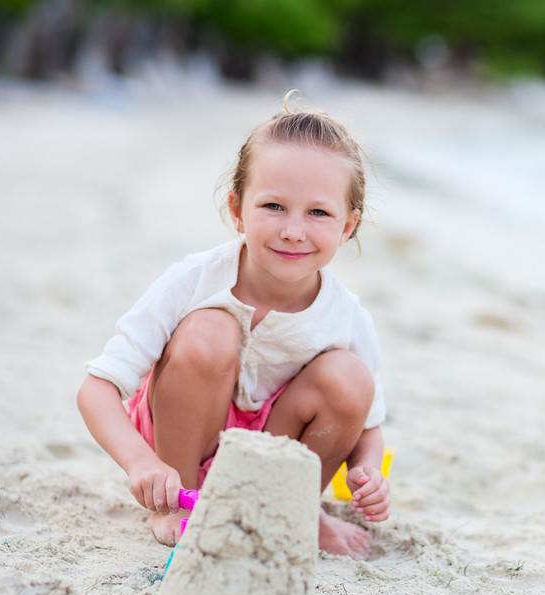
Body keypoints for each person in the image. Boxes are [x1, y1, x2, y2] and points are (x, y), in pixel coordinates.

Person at [77, 97, 389, 560]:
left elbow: (368, 428)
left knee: (350, 377)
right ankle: (175, 506)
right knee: (209, 330)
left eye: (318, 213)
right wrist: (143, 464)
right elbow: (96, 388)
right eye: (274, 206)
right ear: (237, 208)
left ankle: (292, 508)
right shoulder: (195, 279)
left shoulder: (346, 316)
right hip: (177, 443)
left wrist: (368, 473)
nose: (293, 230)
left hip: (268, 453)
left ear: (348, 226)